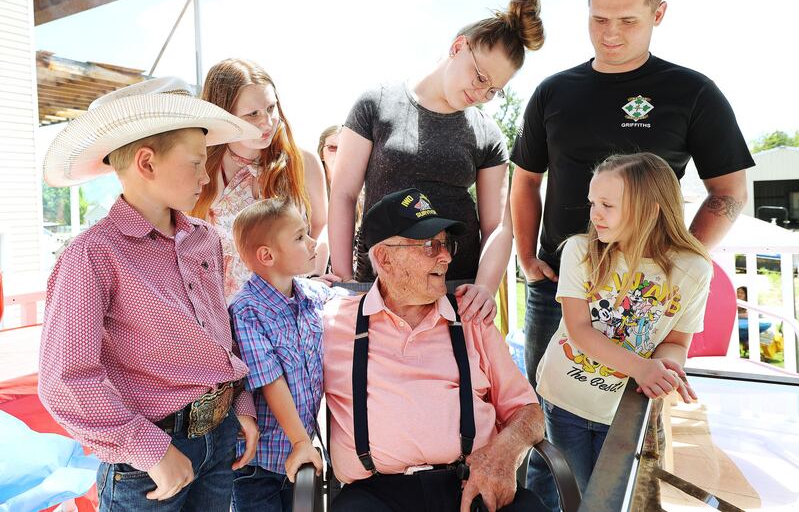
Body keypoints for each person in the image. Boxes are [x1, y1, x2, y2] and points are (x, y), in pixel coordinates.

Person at [509, 0, 753, 504]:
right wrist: (527, 258)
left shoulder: (692, 92)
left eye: (628, 20)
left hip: (646, 298)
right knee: (548, 428)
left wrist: (673, 264)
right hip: (561, 289)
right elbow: (524, 183)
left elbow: (729, 193)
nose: (610, 33)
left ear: (658, 13)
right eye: (598, 19)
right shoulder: (553, 91)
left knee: (630, 433)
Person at [38, 77, 262, 512]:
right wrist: (150, 449)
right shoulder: (93, 256)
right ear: (146, 163)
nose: (205, 174)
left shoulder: (205, 241)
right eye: (196, 162)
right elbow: (66, 378)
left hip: (218, 440)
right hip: (148, 460)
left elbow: (219, 337)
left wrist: (241, 403)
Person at [323, 188, 548, 512]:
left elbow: (529, 412)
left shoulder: (472, 317)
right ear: (385, 257)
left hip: (471, 483)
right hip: (374, 497)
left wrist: (503, 452)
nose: (446, 256)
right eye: (430, 246)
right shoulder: (334, 323)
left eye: (446, 244)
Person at [329, 0, 545, 325]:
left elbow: (497, 226)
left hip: (456, 290)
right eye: (480, 77)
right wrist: (343, 279)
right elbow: (343, 194)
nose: (480, 94)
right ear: (458, 47)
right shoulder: (376, 103)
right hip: (377, 285)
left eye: (493, 91)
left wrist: (485, 288)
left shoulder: (488, 133)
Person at [536, 152, 712, 504]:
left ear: (650, 209)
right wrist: (642, 367)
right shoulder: (580, 251)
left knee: (620, 500)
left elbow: (677, 340)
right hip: (564, 401)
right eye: (592, 203)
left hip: (626, 412)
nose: (594, 214)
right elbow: (579, 330)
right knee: (577, 497)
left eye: (607, 204)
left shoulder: (694, 268)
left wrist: (668, 366)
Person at [227, 197, 337, 512]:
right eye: (300, 237)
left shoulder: (311, 296)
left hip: (299, 450)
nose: (313, 242)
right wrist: (301, 441)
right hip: (257, 463)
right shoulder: (247, 310)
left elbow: (353, 303)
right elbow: (269, 380)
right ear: (267, 255)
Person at [190, 58, 329, 299]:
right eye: (252, 114)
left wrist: (315, 276)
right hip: (228, 312)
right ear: (224, 114)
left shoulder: (302, 161)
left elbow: (321, 224)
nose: (266, 122)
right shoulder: (202, 169)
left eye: (271, 108)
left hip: (293, 304)